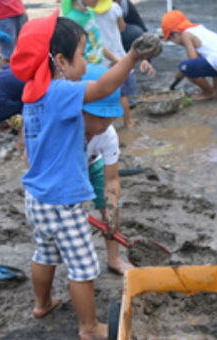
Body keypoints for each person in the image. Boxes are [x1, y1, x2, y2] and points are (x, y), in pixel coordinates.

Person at [10, 10, 160, 339]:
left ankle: (42, 303)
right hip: (64, 201)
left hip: (36, 199)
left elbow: (29, 149)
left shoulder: (31, 97)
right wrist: (132, 54)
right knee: (82, 268)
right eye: (81, 54)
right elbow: (104, 84)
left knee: (44, 253)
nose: (85, 62)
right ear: (60, 61)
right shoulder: (60, 92)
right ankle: (89, 327)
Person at [83, 65, 133, 274]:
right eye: (101, 117)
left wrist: (111, 208)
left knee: (111, 208)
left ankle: (113, 259)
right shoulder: (65, 128)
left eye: (111, 117)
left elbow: (111, 179)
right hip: (66, 169)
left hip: (93, 162)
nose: (107, 123)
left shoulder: (108, 134)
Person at [94, 0, 156, 128]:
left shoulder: (89, 12)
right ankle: (127, 122)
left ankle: (105, 124)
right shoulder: (115, 8)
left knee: (102, 94)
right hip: (119, 57)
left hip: (101, 59)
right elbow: (122, 27)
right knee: (123, 95)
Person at [161, 10, 217, 101]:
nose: (174, 42)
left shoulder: (185, 35)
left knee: (185, 67)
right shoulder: (199, 28)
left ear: (175, 33)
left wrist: (181, 72)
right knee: (209, 58)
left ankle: (209, 92)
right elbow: (202, 59)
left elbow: (192, 61)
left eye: (171, 39)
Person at [61, 0, 119, 66]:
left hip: (101, 65)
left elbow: (97, 43)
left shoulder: (91, 12)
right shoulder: (71, 19)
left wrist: (115, 59)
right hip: (88, 70)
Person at [0, 0, 27, 66]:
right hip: (3, 18)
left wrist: (24, 11)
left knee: (23, 49)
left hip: (20, 14)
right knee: (8, 54)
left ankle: (21, 73)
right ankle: (7, 73)